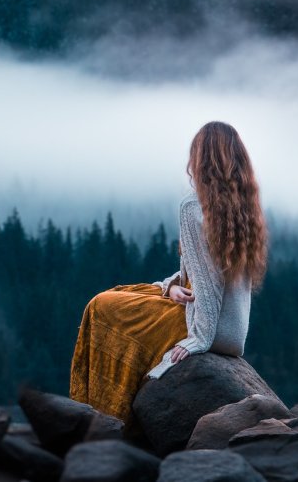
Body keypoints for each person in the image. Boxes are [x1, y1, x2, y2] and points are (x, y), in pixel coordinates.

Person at [69, 121, 268, 425]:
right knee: (130, 292)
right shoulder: (243, 205)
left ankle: (100, 414)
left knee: (102, 305)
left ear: (200, 159)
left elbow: (208, 282)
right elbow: (205, 277)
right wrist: (172, 286)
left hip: (205, 324)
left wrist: (198, 339)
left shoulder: (193, 206)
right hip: (232, 329)